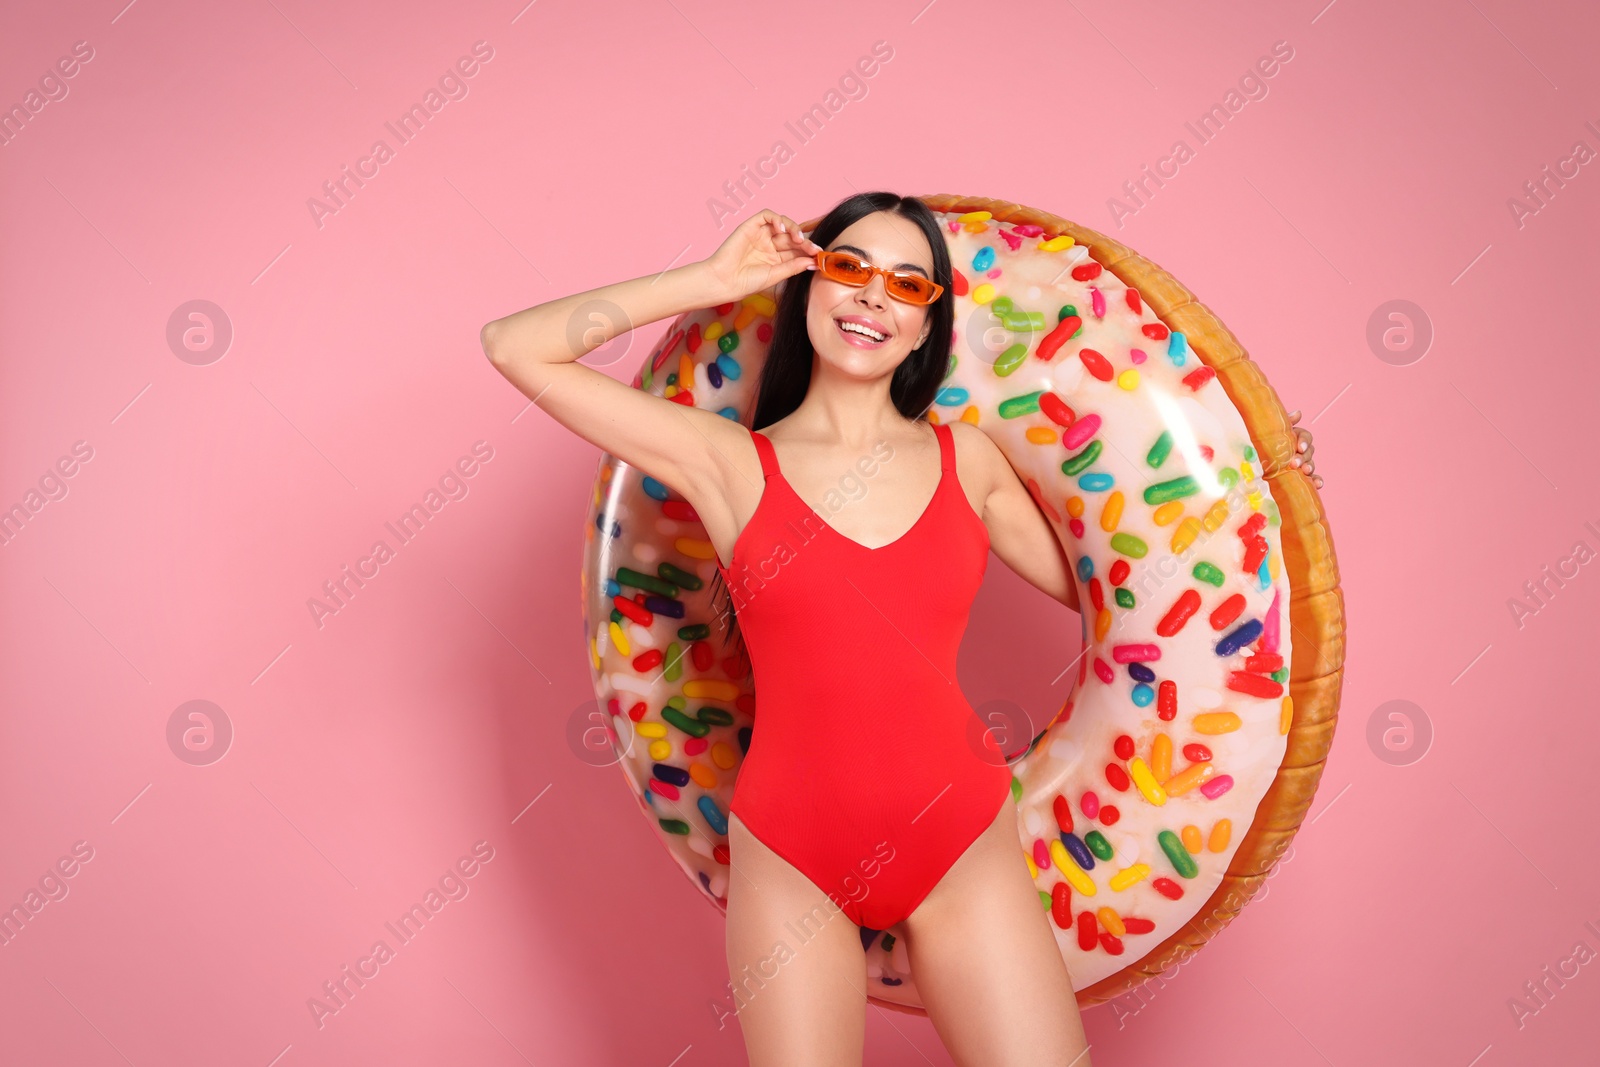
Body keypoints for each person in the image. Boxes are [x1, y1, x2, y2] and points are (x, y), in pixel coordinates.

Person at [480, 192, 1316, 1066]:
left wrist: (1257, 493)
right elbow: (515, 345)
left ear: (925, 328)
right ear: (810, 290)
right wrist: (716, 278)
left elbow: (1134, 590)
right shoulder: (729, 464)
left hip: (956, 836)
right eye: (849, 269)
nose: (873, 296)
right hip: (790, 852)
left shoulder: (970, 460)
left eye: (906, 285)